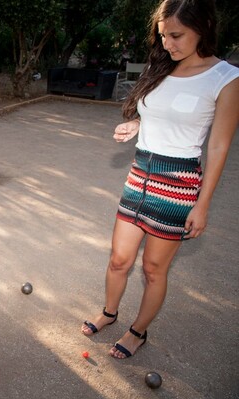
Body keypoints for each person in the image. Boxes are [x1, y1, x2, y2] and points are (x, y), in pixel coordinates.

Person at [81, 0, 239, 359]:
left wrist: (203, 203)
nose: (168, 43)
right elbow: (154, 114)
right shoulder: (160, 66)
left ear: (204, 27)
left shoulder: (226, 78)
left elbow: (218, 145)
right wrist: (135, 125)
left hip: (178, 185)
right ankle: (109, 313)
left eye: (176, 35)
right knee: (119, 259)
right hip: (139, 174)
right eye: (164, 35)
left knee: (153, 268)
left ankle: (138, 331)